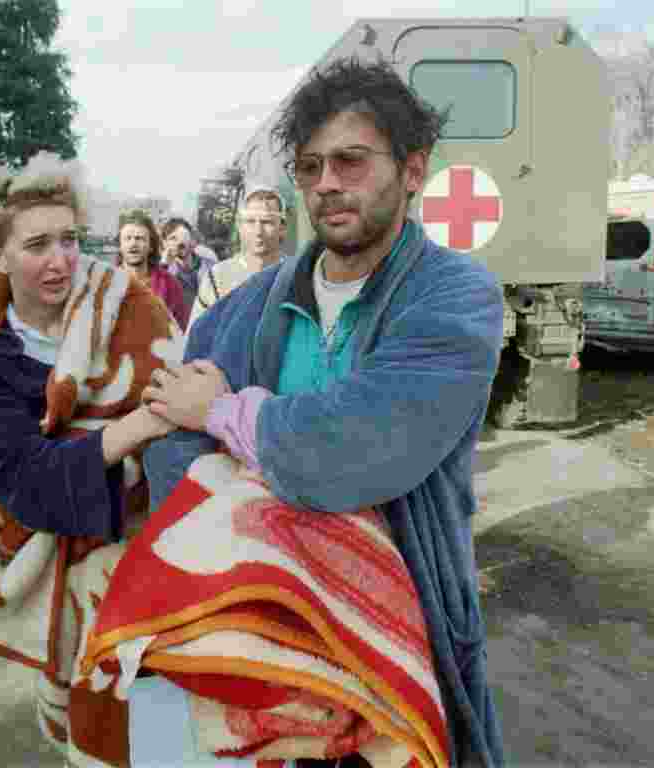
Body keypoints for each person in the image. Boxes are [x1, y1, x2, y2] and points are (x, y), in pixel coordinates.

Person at [142, 55, 505, 768]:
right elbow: (169, 449)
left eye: (351, 160)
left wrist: (227, 414)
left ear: (411, 171)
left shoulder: (456, 297)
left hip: (403, 637)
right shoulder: (243, 307)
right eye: (310, 167)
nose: (327, 183)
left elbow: (353, 448)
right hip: (266, 648)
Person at [0, 151, 184, 765]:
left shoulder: (128, 306)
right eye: (37, 245)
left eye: (69, 238)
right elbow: (29, 486)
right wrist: (144, 420)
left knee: (161, 725)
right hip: (54, 573)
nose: (61, 260)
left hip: (151, 562)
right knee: (83, 717)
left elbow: (188, 411)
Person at [188, 184, 289, 329]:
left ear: (282, 228)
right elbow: (196, 338)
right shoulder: (218, 277)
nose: (258, 231)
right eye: (250, 222)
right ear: (240, 227)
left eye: (267, 222)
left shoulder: (296, 274)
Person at [116, 209, 189, 330]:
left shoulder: (169, 284)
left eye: (139, 238)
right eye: (127, 238)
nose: (133, 243)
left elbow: (182, 331)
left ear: (151, 246)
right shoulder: (106, 283)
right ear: (120, 245)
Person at [160, 217, 216, 309]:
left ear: (192, 240)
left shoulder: (210, 266)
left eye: (184, 236)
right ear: (165, 244)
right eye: (173, 238)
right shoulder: (163, 272)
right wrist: (163, 266)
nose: (179, 242)